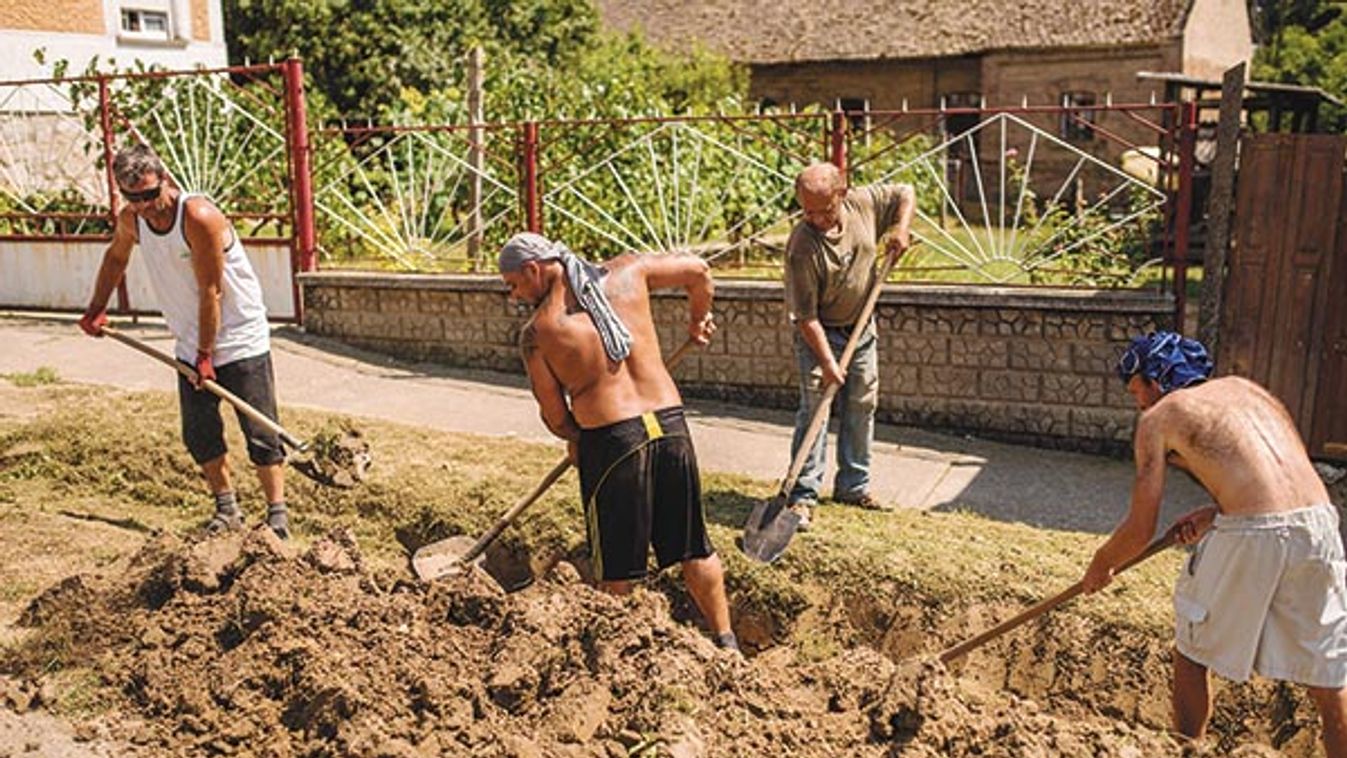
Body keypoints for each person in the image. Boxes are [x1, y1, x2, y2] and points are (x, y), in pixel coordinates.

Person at [1084, 331, 1347, 754]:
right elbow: (1283, 483)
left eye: (1137, 390)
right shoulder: (1248, 391)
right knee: (1326, 670)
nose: (1139, 403)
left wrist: (1101, 563)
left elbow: (1140, 527)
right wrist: (1217, 514)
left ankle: (1186, 750)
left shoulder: (1160, 416)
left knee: (1192, 651)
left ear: (1155, 379)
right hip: (1320, 526)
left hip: (1254, 531)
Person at [498, 231, 737, 652]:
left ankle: (613, 661)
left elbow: (554, 414)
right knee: (694, 548)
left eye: (515, 285)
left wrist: (577, 439)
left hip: (613, 444)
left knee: (616, 568)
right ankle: (726, 642)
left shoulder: (539, 332)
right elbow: (699, 271)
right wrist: (699, 317)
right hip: (671, 428)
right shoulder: (631, 271)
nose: (516, 297)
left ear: (534, 269)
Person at [77, 143, 290, 539]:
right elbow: (115, 259)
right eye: (133, 198)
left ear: (166, 181)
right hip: (190, 342)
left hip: (239, 336)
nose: (144, 206)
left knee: (261, 432)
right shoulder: (133, 220)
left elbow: (211, 290)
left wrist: (206, 356)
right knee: (199, 432)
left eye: (149, 195)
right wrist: (95, 309)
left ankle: (277, 515)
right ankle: (227, 510)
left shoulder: (199, 216)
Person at [782, 162, 915, 528]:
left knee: (861, 402)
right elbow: (805, 317)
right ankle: (801, 495)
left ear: (841, 194)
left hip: (861, 327)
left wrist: (901, 230)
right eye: (806, 210)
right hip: (819, 333)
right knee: (816, 410)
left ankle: (853, 486)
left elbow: (905, 192)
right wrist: (827, 362)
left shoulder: (862, 204)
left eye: (823, 210)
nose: (815, 218)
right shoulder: (801, 247)